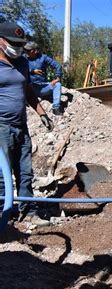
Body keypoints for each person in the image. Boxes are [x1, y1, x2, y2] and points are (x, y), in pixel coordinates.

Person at [0, 22, 54, 226]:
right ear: (1, 42)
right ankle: (3, 213)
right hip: (1, 128)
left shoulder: (22, 62)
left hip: (21, 126)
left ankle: (29, 211)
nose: (18, 47)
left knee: (25, 171)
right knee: (1, 174)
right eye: (14, 43)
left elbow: (28, 91)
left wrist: (42, 113)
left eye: (20, 44)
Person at [23, 41, 64, 116]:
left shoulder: (43, 57)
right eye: (25, 50)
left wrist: (57, 78)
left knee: (57, 84)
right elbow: (18, 70)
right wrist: (32, 71)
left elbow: (57, 66)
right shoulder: (23, 58)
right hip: (30, 87)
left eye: (28, 50)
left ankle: (56, 108)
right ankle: (25, 101)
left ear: (35, 50)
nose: (26, 52)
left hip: (43, 86)